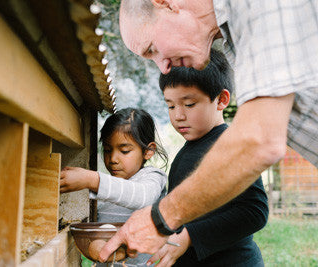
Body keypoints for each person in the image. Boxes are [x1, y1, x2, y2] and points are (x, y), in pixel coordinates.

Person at [99, 0, 318, 262]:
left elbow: (260, 141)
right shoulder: (233, 39)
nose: (163, 67)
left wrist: (160, 218)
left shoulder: (258, 6)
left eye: (153, 49)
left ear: (165, 4)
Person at [146, 49, 268, 267]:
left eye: (189, 104)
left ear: (221, 100)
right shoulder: (189, 149)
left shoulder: (231, 145)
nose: (178, 115)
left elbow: (254, 211)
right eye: (170, 105)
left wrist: (190, 236)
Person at [60, 108, 168, 266]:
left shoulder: (152, 177)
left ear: (148, 151)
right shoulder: (108, 186)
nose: (113, 159)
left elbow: (142, 197)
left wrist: (92, 179)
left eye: (124, 151)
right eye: (108, 150)